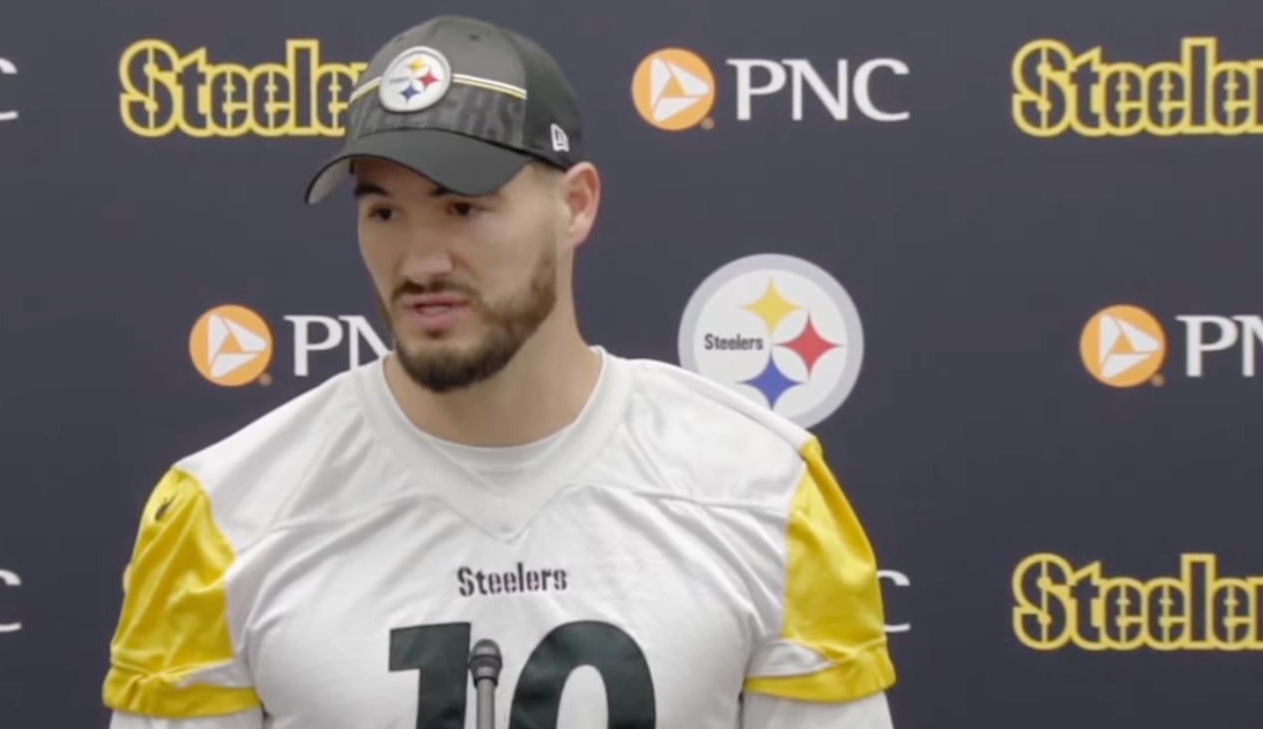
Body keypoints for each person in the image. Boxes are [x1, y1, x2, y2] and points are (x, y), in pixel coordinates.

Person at [101, 14, 896, 729]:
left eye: (462, 206)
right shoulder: (222, 518)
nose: (420, 260)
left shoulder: (766, 492)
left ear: (575, 205)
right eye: (383, 211)